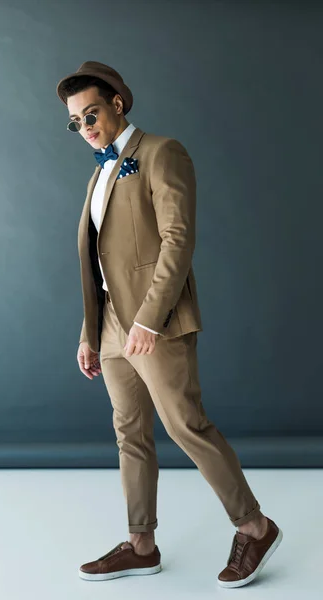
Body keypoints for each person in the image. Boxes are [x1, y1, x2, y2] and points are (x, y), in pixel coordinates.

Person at [56, 61, 283, 588]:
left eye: (91, 113)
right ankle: (141, 544)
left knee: (185, 426)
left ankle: (255, 527)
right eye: (74, 121)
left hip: (154, 321)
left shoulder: (161, 153)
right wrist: (90, 332)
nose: (85, 126)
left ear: (116, 103)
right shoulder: (98, 171)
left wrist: (150, 320)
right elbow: (98, 259)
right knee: (129, 431)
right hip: (111, 325)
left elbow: (178, 242)